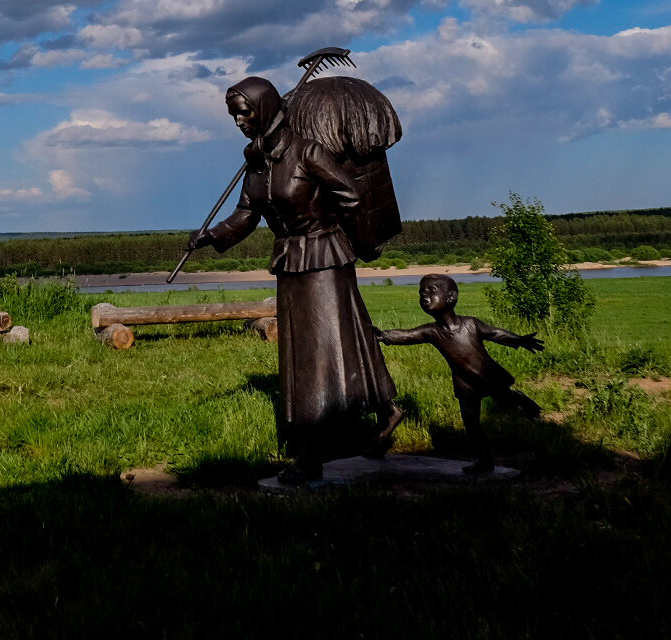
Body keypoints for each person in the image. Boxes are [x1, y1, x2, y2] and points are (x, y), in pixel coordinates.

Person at [190, 75, 401, 483]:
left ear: (265, 108)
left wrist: (338, 229)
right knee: (320, 343)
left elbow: (351, 194)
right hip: (290, 261)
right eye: (234, 115)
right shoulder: (256, 164)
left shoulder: (308, 153)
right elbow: (246, 216)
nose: (238, 121)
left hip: (324, 257)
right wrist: (212, 236)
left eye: (244, 112)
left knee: (319, 350)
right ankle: (385, 409)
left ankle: (312, 451)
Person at [376, 274, 545, 474]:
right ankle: (484, 460)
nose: (424, 295)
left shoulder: (471, 324)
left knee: (506, 399)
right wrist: (382, 335)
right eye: (421, 291)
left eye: (431, 290)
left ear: (451, 297)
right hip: (465, 383)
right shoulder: (432, 331)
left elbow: (495, 333)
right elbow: (406, 335)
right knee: (471, 422)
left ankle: (521, 399)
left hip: (487, 375)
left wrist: (519, 340)